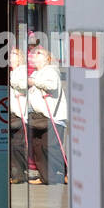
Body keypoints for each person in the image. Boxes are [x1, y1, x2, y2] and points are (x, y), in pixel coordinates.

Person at [27, 39, 68, 184]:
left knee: (51, 146)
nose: (35, 55)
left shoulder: (51, 71)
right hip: (39, 117)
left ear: (47, 59)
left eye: (39, 53)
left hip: (53, 116)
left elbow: (51, 86)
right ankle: (46, 176)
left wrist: (34, 83)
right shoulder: (36, 73)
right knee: (38, 147)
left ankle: (67, 172)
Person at [8, 43, 29, 185]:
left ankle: (20, 173)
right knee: (12, 145)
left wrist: (11, 81)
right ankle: (15, 173)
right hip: (12, 112)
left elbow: (23, 85)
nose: (10, 57)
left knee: (18, 145)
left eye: (13, 55)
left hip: (20, 112)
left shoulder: (22, 71)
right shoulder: (12, 72)